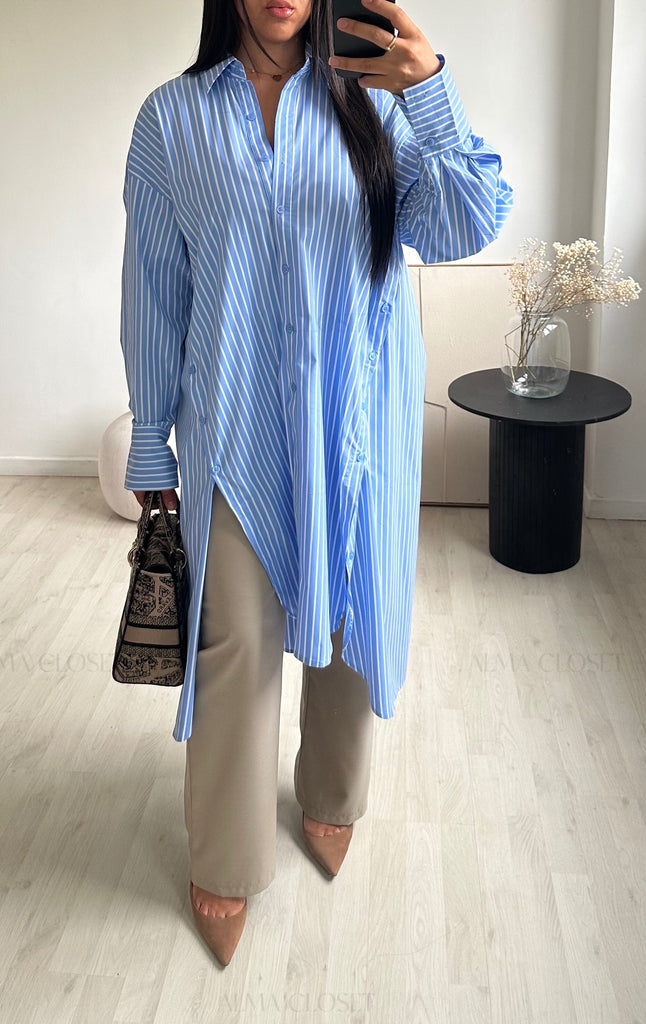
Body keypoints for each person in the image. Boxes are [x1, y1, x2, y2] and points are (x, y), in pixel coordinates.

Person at [120, 0, 513, 966]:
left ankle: (333, 794)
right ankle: (226, 851)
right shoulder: (172, 119)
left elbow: (465, 224)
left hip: (358, 420)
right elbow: (155, 289)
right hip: (235, 429)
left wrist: (430, 92)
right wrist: (150, 441)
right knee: (236, 637)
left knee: (346, 616)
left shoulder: (373, 105)